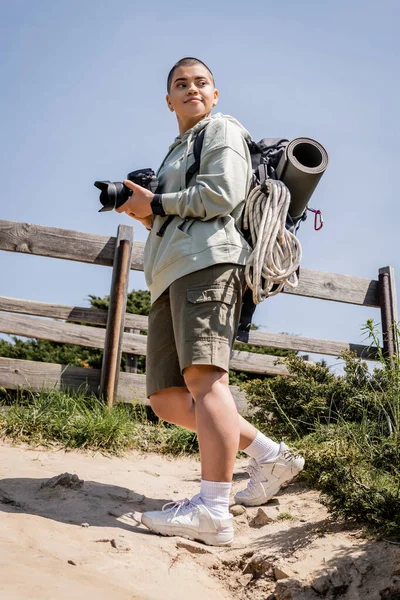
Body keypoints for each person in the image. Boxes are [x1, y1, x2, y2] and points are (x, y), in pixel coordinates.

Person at [115, 57, 304, 546]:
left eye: (201, 82)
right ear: (169, 99)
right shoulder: (175, 150)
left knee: (204, 380)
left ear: (215, 94)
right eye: (181, 84)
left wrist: (156, 203)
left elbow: (221, 194)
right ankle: (269, 454)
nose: (191, 88)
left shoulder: (221, 129)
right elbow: (182, 211)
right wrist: (147, 211)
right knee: (167, 399)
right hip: (169, 274)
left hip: (209, 263)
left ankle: (214, 510)